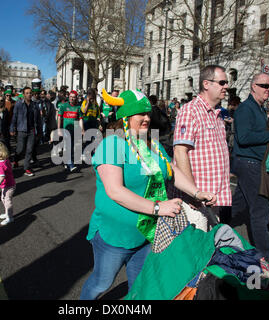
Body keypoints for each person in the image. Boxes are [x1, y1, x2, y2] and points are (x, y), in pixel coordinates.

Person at [79, 89, 217, 300]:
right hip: (115, 236)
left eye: (147, 114)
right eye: (140, 114)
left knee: (142, 288)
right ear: (125, 116)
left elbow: (171, 170)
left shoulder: (152, 144)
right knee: (101, 283)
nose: (146, 118)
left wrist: (197, 192)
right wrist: (158, 208)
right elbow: (115, 191)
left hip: (148, 233)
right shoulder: (112, 144)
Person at [231, 72, 269, 259]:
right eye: (264, 86)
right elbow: (244, 138)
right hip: (249, 163)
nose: (268, 90)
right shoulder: (246, 109)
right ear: (253, 87)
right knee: (260, 209)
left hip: (253, 163)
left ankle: (220, 227)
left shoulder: (259, 109)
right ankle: (265, 257)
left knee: (239, 204)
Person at [172, 65, 232, 225]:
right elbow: (180, 152)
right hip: (195, 202)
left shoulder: (218, 113)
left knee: (211, 247)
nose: (226, 86)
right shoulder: (190, 111)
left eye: (226, 82)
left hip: (213, 198)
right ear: (206, 84)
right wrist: (193, 193)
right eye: (222, 82)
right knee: (196, 248)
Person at [9, 86, 42, 177]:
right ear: (23, 94)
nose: (29, 94)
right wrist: (12, 128)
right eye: (27, 93)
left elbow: (38, 119)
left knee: (30, 149)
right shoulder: (19, 104)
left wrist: (39, 131)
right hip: (21, 130)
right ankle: (16, 159)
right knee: (20, 149)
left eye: (30, 93)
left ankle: (26, 168)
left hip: (31, 130)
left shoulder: (35, 105)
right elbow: (14, 117)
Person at [57, 90, 83, 172]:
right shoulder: (64, 106)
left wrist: (82, 129)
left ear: (76, 98)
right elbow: (59, 117)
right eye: (71, 97)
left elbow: (80, 119)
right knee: (68, 146)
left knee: (72, 147)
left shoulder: (78, 107)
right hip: (66, 129)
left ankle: (66, 161)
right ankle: (71, 165)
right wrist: (58, 129)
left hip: (75, 130)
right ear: (69, 97)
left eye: (73, 97)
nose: (72, 98)